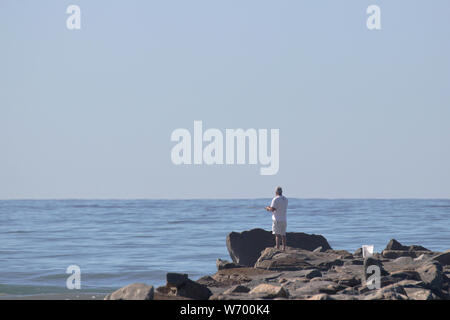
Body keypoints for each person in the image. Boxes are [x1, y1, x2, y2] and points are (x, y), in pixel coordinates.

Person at [265, 186, 288, 251]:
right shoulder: (285, 199)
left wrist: (267, 208)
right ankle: (284, 248)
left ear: (276, 192)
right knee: (283, 234)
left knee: (277, 234)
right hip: (284, 219)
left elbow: (273, 209)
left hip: (277, 219)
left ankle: (277, 248)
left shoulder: (275, 199)